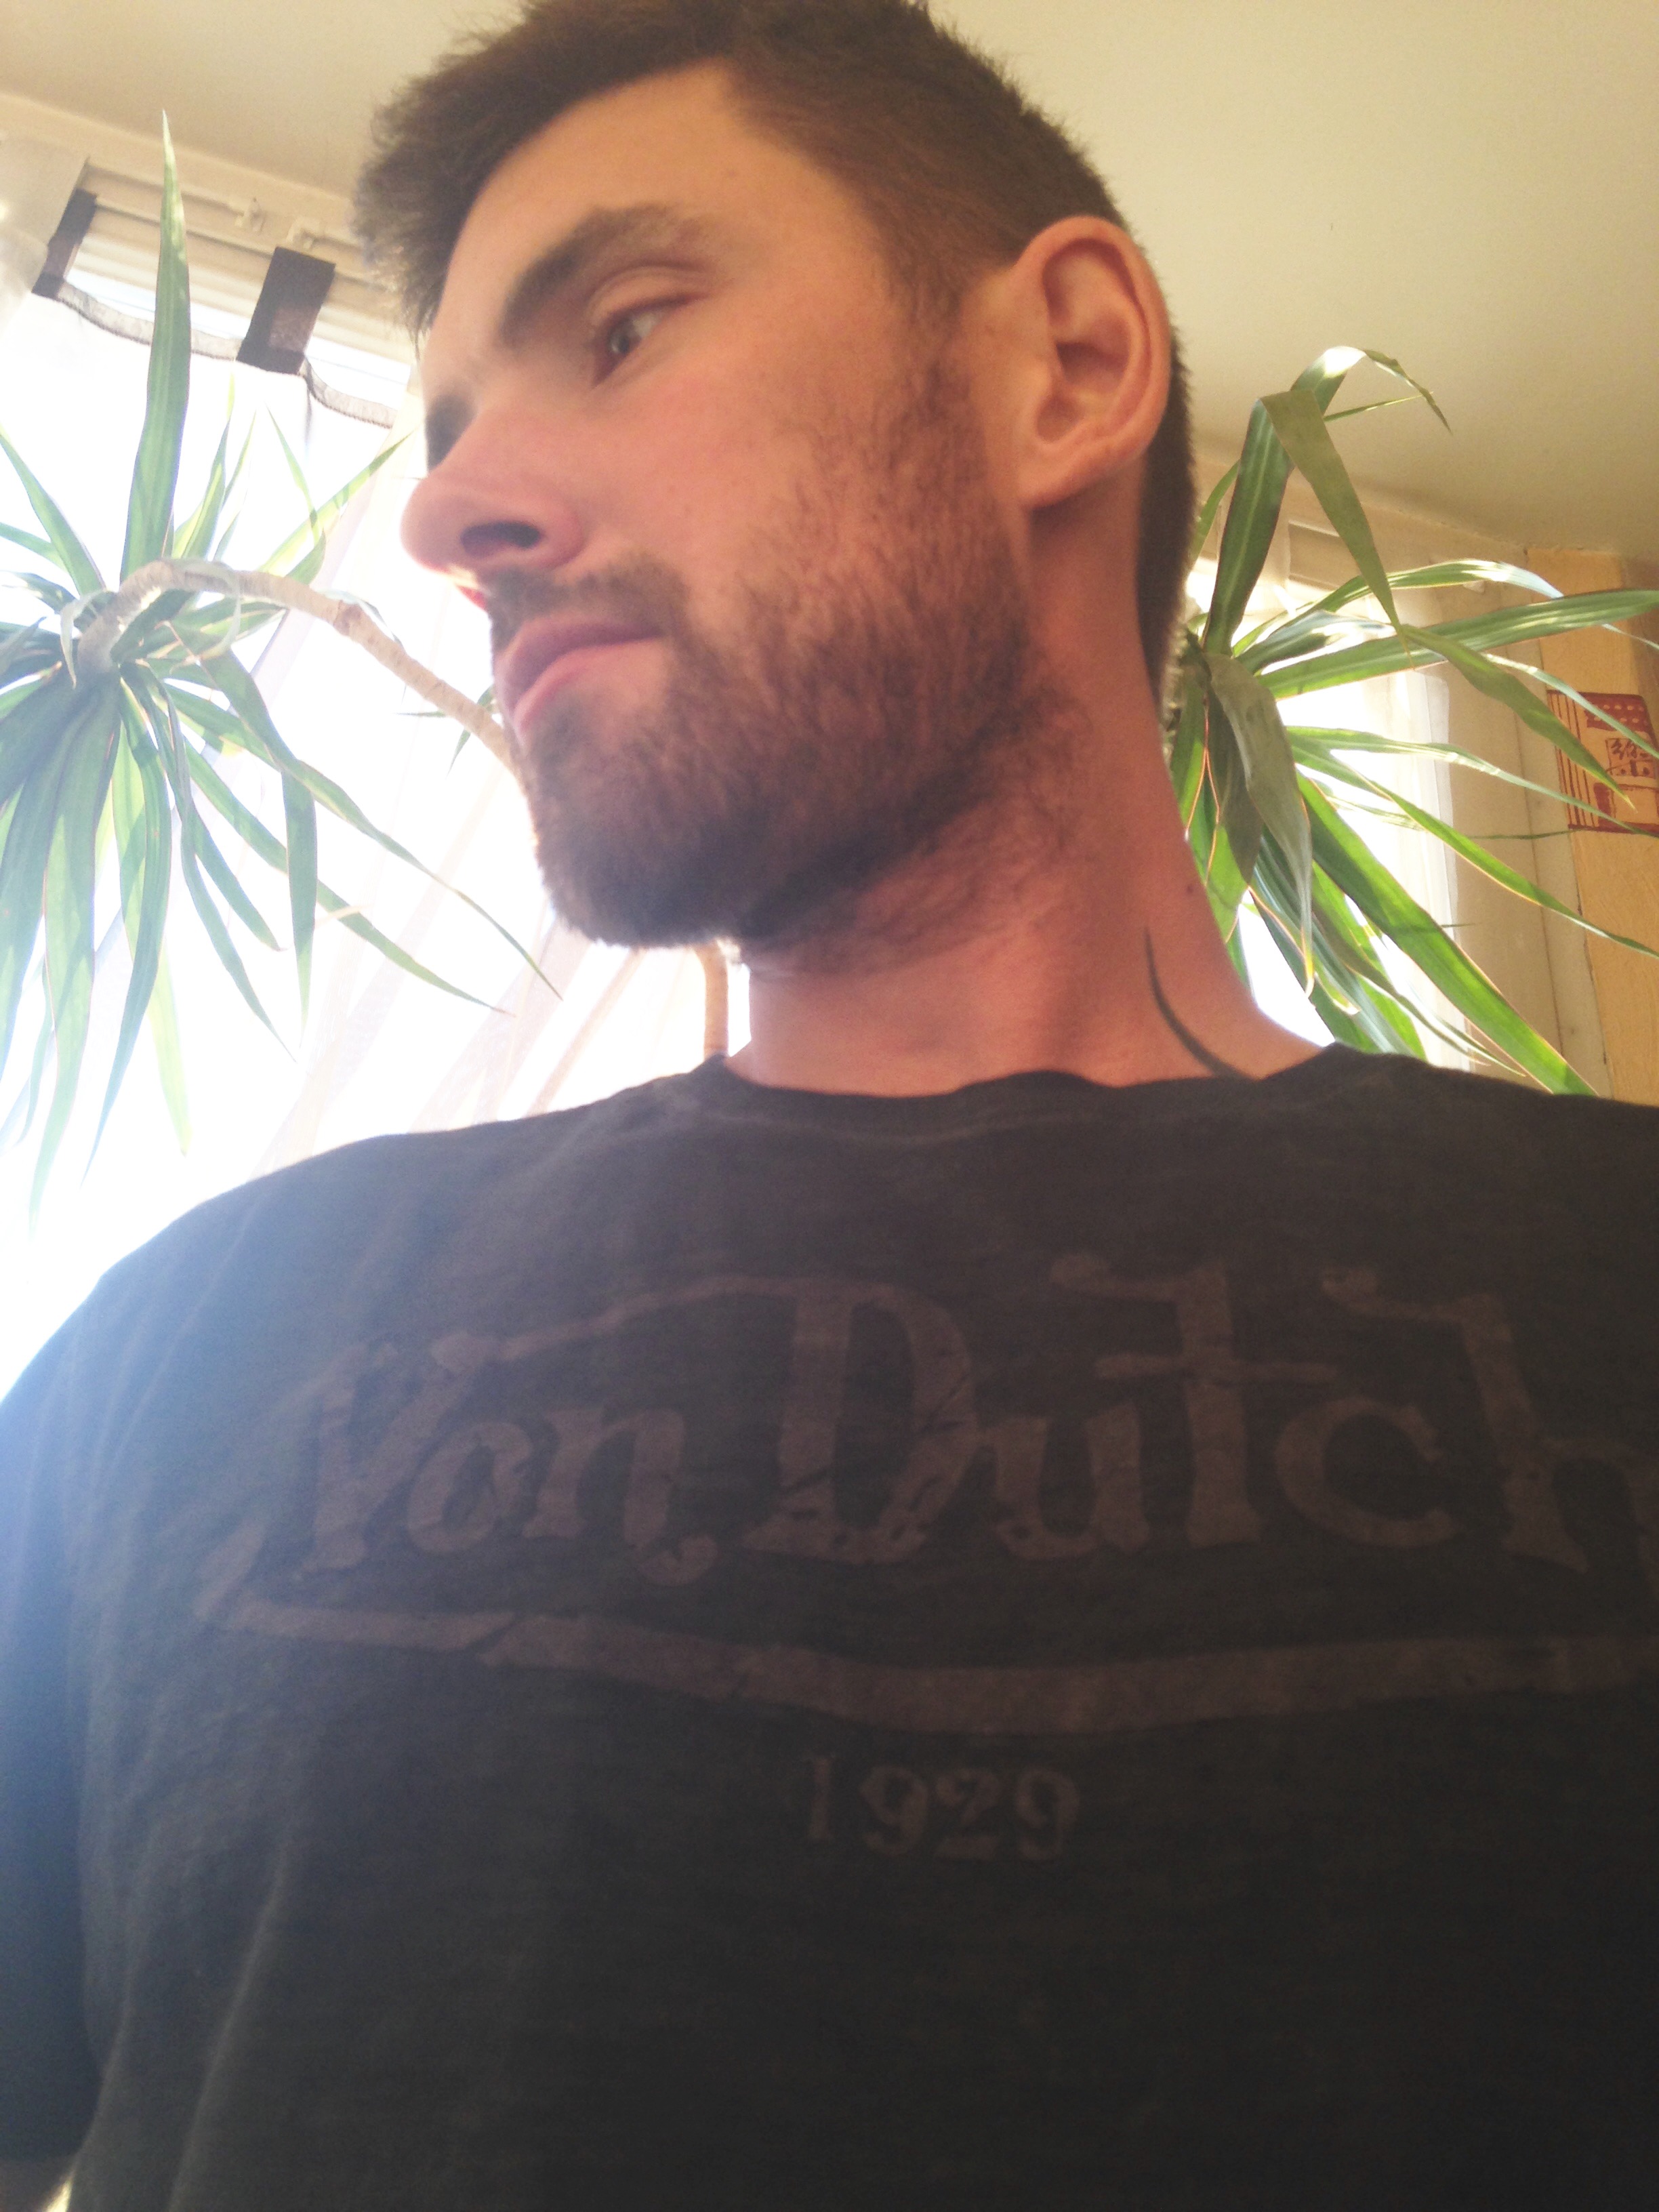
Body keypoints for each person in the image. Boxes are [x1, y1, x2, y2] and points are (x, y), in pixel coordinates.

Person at [3, 1, 1656, 2205]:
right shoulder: (187, 1350)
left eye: (622, 328)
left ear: (1067, 365)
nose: (450, 513)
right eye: (448, 428)